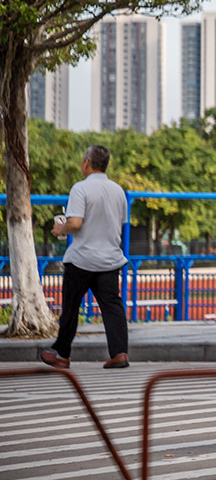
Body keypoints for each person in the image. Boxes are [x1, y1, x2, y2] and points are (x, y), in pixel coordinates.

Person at [39, 145, 130, 370]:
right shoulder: (118, 190)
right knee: (112, 306)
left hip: (82, 259)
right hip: (110, 259)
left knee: (71, 307)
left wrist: (60, 229)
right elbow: (120, 223)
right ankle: (119, 353)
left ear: (87, 163)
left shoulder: (80, 189)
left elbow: (75, 223)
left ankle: (62, 354)